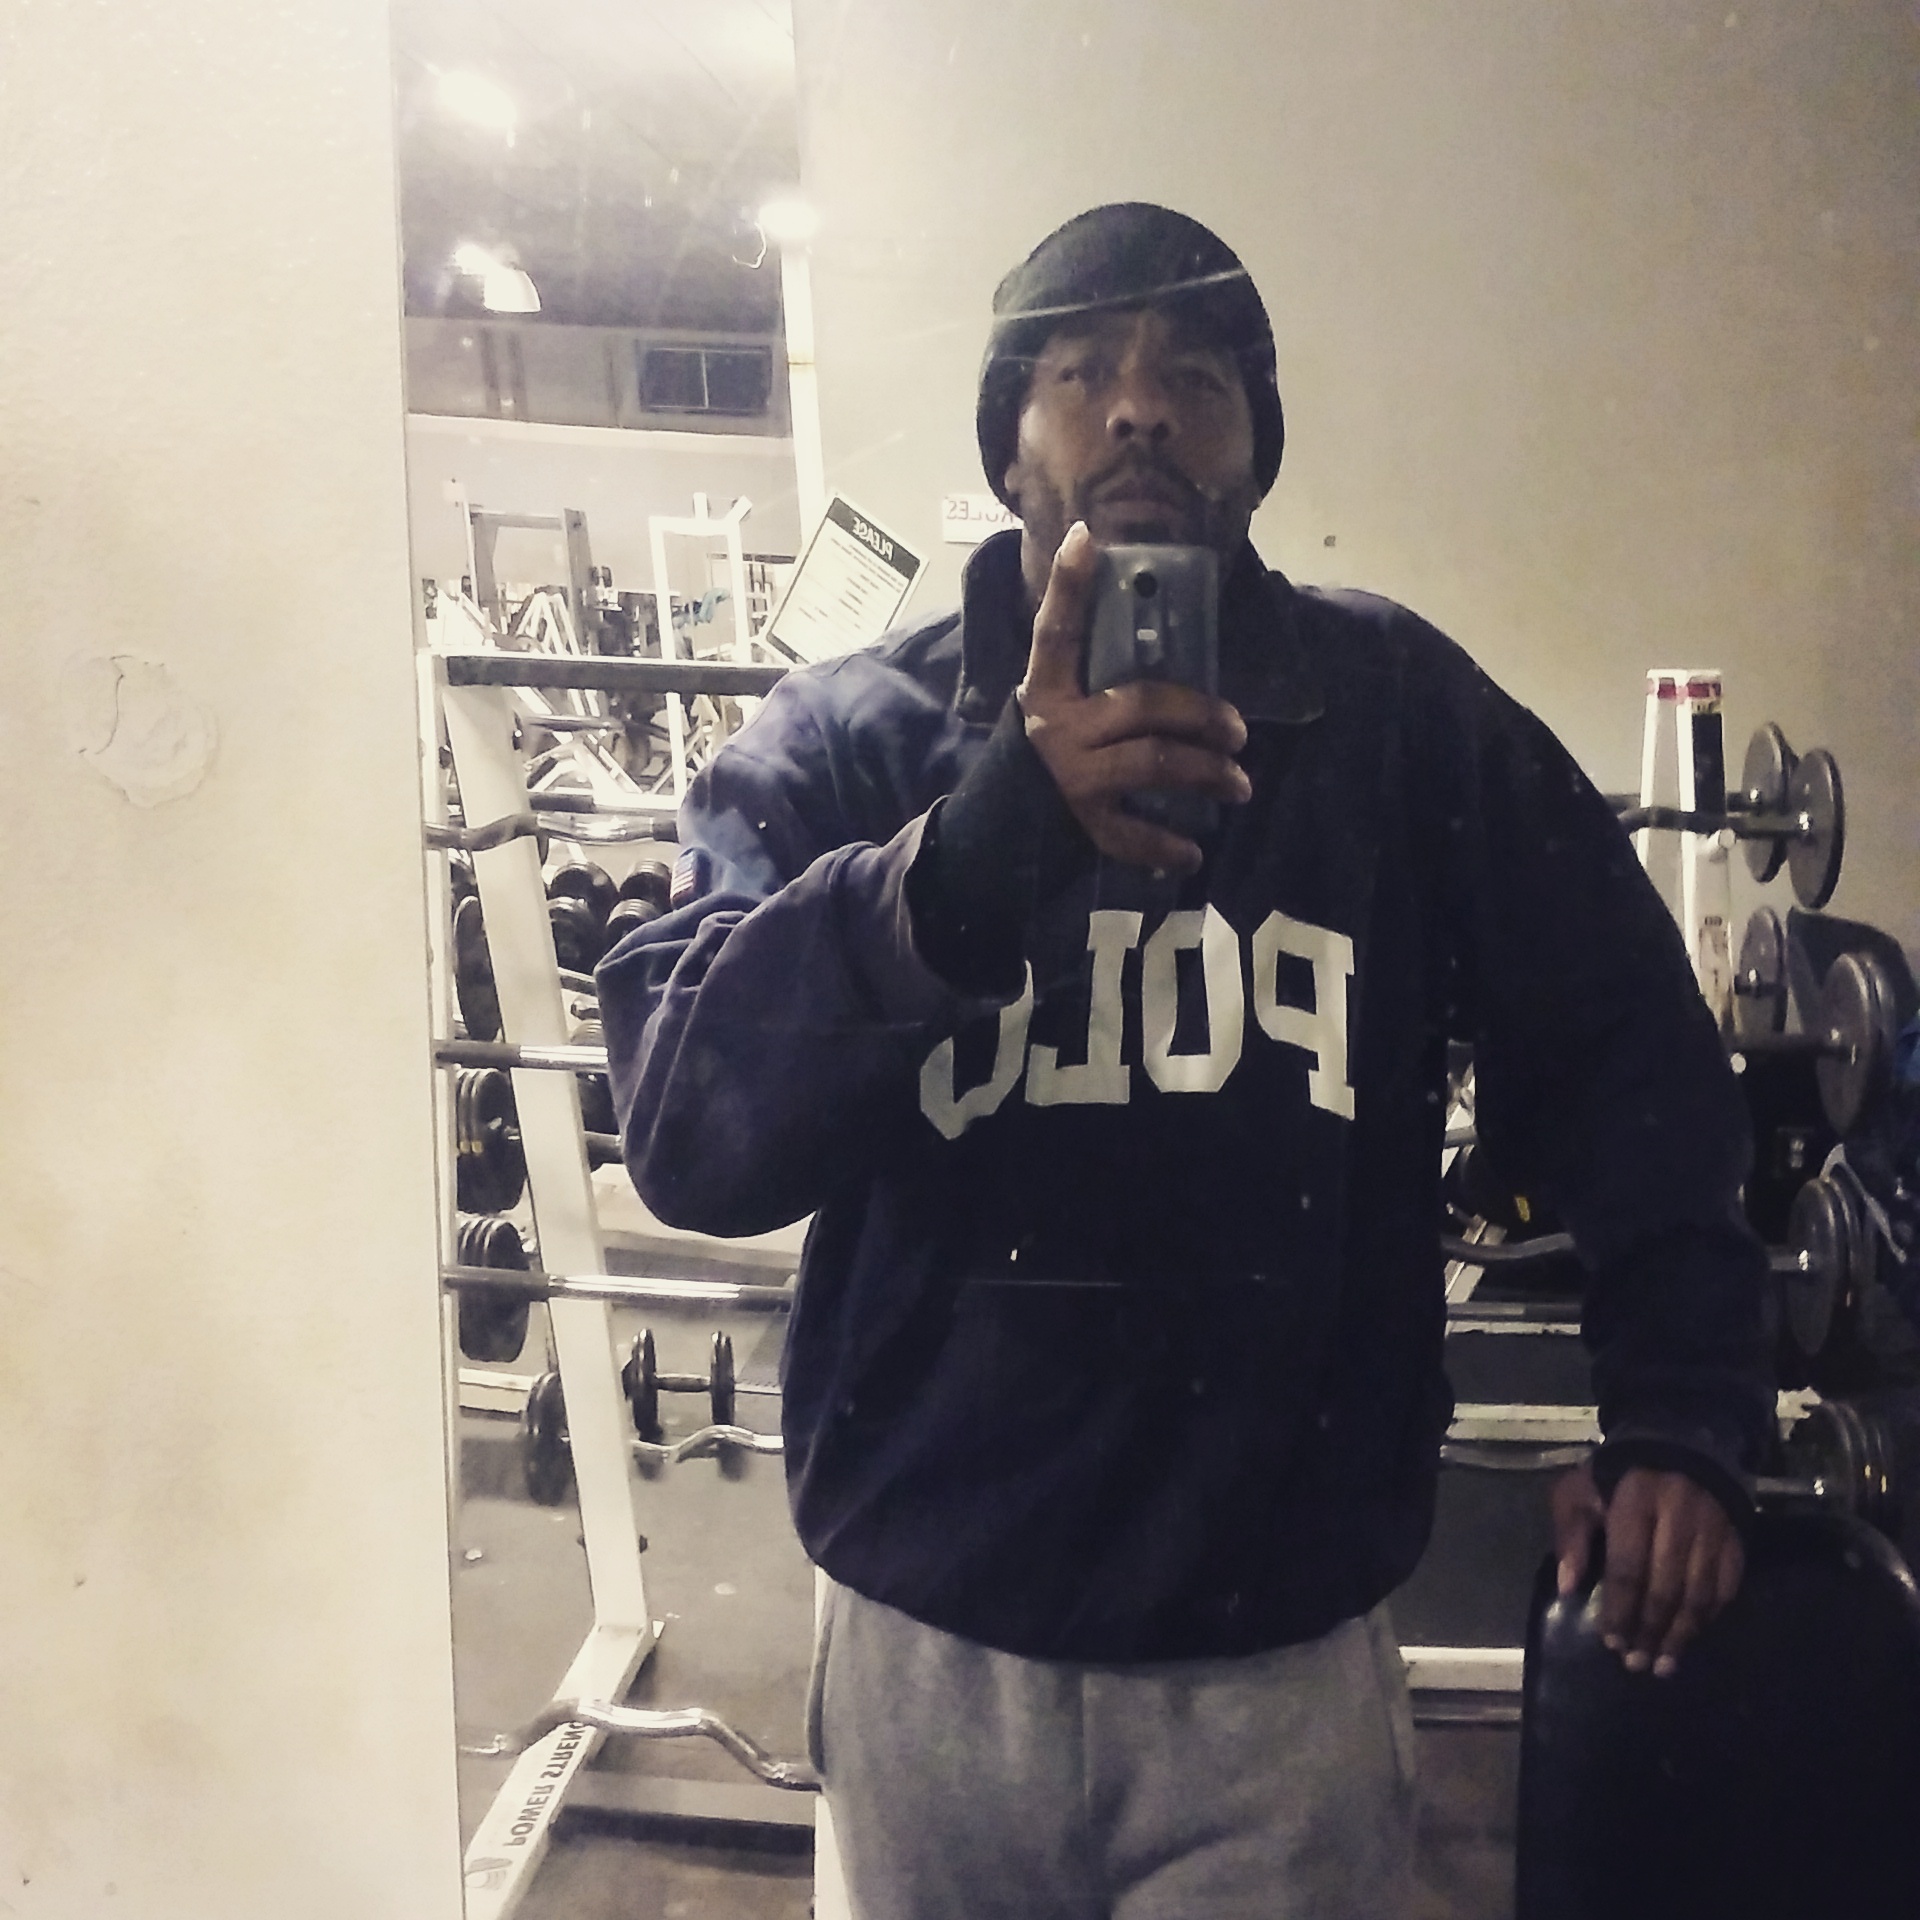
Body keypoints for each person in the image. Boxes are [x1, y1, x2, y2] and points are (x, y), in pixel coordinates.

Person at [596, 203, 1772, 1918]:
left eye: (1197, 378)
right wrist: (967, 860)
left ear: (1256, 452)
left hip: (1275, 1673)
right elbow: (684, 1128)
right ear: (1008, 449)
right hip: (931, 1652)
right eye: (1084, 372)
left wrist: (1680, 1409)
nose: (1141, 408)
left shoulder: (1396, 716)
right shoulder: (855, 736)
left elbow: (1626, 1043)